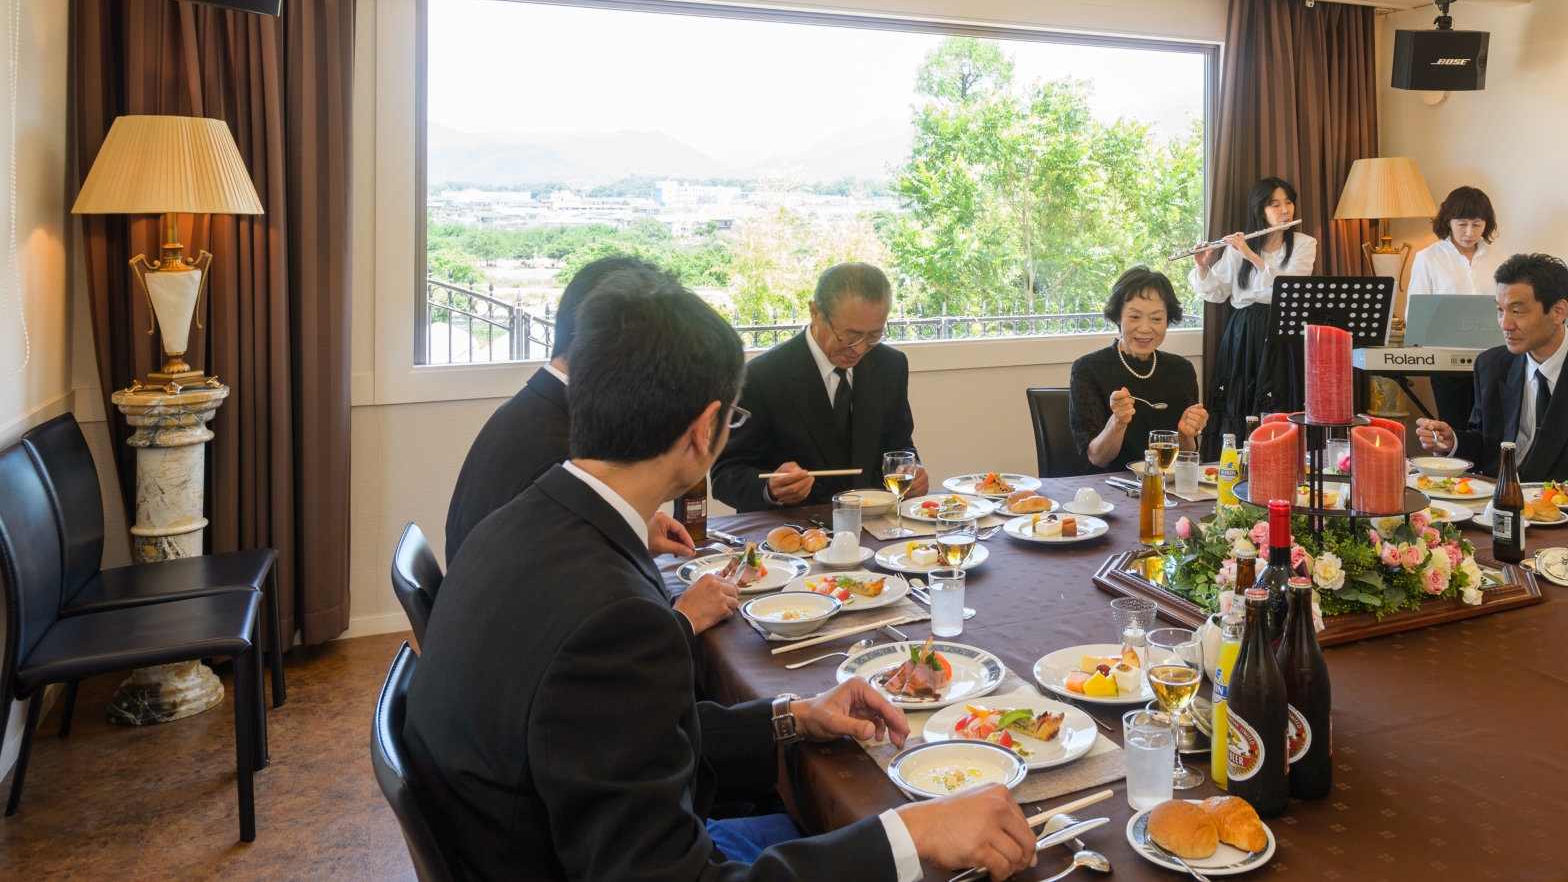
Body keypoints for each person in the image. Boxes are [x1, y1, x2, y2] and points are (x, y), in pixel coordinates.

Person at [406, 270, 1040, 882]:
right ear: (705, 428)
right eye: (731, 421)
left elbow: (615, 739)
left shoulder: (521, 521)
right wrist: (911, 835)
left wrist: (793, 715)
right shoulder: (613, 622)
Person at [441, 255, 737, 631]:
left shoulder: (533, 408)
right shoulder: (557, 453)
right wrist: (678, 622)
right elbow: (573, 621)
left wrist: (627, 525)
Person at [1413, 253, 1568, 505]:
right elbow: (1487, 445)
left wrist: (1550, 500)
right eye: (1499, 310)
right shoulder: (1491, 365)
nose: (1505, 324)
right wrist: (1454, 442)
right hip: (1496, 509)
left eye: (1517, 311)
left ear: (1559, 311)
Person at [710, 262, 927, 511]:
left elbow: (899, 444)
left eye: (873, 335)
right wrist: (770, 489)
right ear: (816, 313)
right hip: (795, 531)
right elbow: (725, 474)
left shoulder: (891, 365)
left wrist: (911, 469)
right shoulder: (762, 376)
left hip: (873, 525)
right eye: (849, 335)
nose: (859, 348)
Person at [1188, 177, 1317, 455]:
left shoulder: (1305, 244)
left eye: (1288, 202)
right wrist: (1202, 268)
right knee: (1237, 401)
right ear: (1260, 210)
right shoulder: (1241, 245)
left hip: (1282, 330)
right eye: (1275, 205)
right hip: (1243, 331)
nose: (1285, 210)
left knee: (1276, 404)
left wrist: (1251, 255)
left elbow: (1290, 288)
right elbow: (1218, 292)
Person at [1070, 266, 1208, 470]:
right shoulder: (1088, 369)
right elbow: (1098, 458)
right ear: (1118, 316)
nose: (1144, 328)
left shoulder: (1181, 370)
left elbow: (1188, 457)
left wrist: (1186, 434)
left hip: (1167, 489)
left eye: (1157, 319)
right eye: (1134, 317)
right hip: (1110, 489)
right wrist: (1118, 422)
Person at [1404, 186, 1502, 435]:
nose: (1470, 233)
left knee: (1494, 431)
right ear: (1448, 221)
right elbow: (1416, 315)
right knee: (1454, 432)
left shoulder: (1501, 258)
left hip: (1495, 359)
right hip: (1448, 362)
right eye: (1462, 224)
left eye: (1478, 224)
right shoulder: (1429, 258)